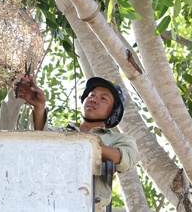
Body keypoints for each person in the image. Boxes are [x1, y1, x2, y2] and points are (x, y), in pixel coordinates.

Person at [15, 76, 139, 209]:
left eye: (103, 98)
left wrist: (86, 144)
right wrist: (39, 107)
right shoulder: (62, 132)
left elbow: (126, 158)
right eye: (92, 95)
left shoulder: (115, 139)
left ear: (113, 114)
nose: (94, 99)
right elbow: (40, 138)